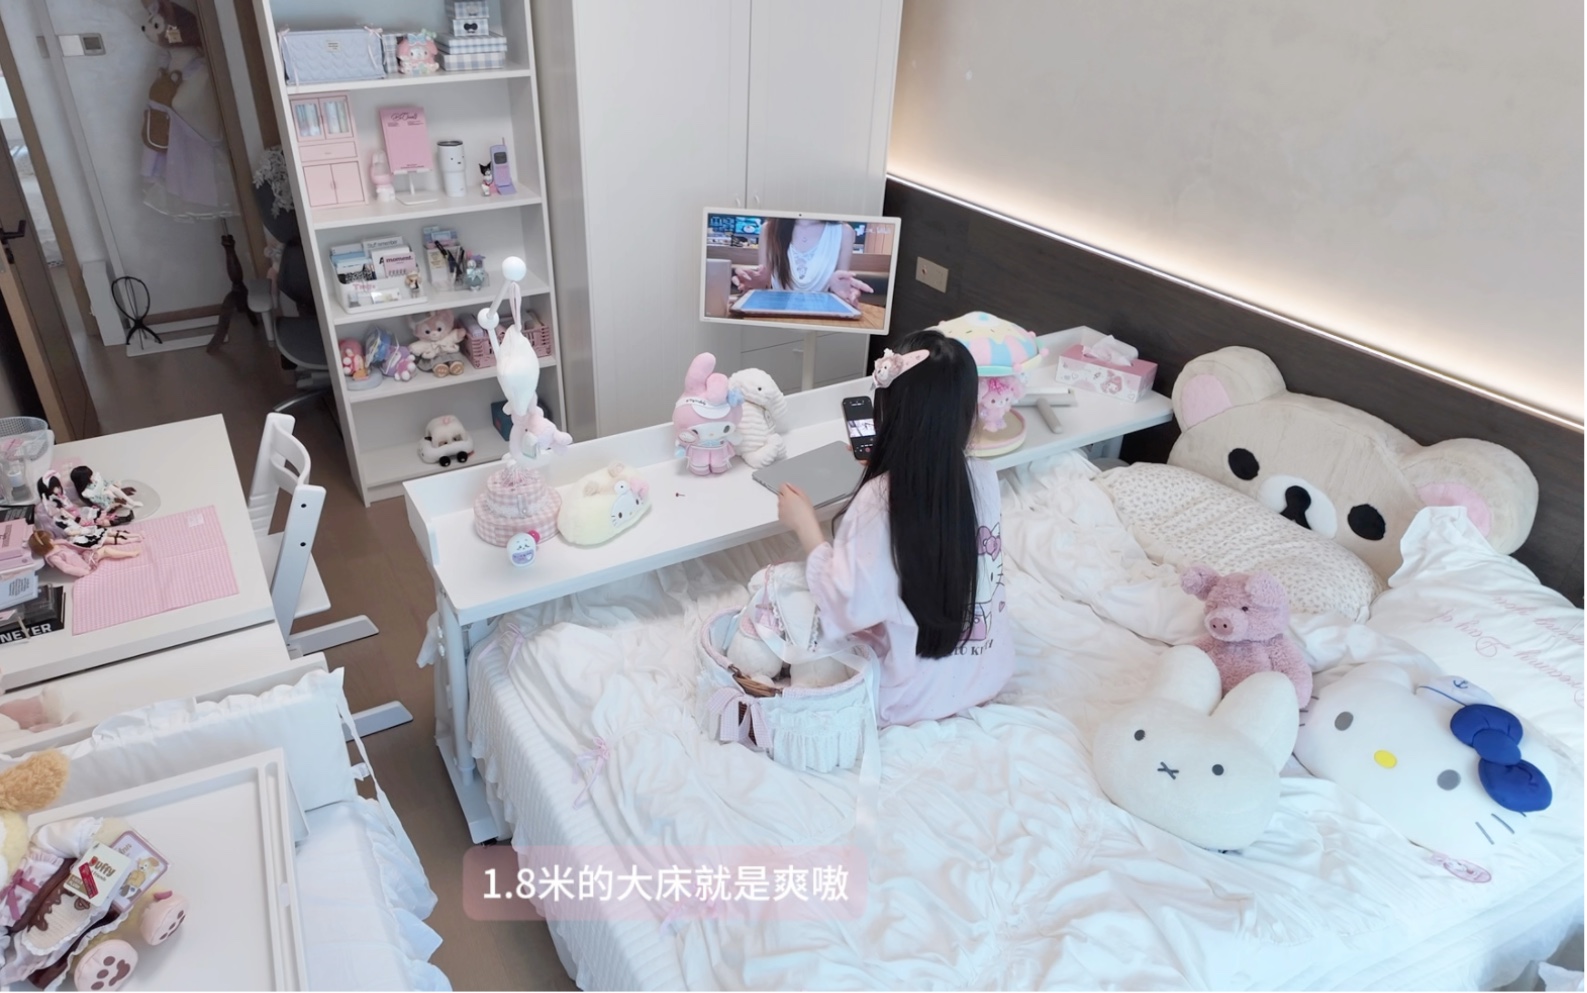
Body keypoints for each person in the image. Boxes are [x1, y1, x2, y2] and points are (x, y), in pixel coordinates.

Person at [776, 328, 1013, 726]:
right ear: (967, 414)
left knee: (780, 588)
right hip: (985, 674)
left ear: (888, 411)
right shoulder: (984, 478)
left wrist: (806, 528)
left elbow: (848, 604)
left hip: (909, 697)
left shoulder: (880, 499)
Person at [734, 217, 874, 306]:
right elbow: (764, 280)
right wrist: (755, 286)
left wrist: (841, 294)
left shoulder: (844, 232)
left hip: (822, 322)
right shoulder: (769, 228)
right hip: (778, 319)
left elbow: (841, 288)